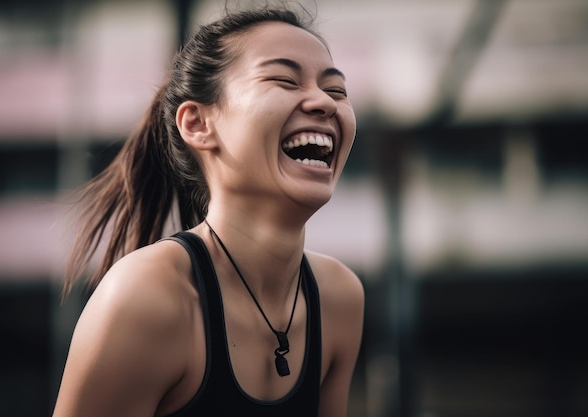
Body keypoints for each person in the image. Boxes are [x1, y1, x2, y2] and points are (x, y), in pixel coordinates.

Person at [52, 4, 364, 417]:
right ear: (198, 124)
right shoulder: (146, 296)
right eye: (284, 80)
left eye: (336, 91)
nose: (323, 103)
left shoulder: (339, 297)